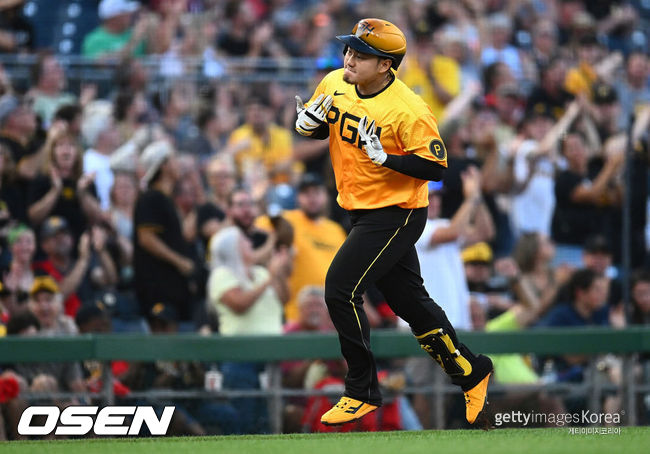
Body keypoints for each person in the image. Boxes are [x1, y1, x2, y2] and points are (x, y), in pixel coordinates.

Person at [294, 18, 493, 427]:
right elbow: (321, 129)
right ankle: (472, 372)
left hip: (397, 212)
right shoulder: (334, 82)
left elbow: (436, 166)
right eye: (349, 49)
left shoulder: (408, 108)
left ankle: (361, 390)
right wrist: (309, 127)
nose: (349, 58)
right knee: (409, 304)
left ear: (386, 65)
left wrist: (387, 159)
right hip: (359, 209)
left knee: (340, 290)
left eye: (361, 54)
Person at [133, 140, 195, 322]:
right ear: (164, 165)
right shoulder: (151, 198)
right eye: (174, 160)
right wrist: (180, 262)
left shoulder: (166, 199)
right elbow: (146, 238)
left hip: (173, 286)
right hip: (158, 286)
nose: (179, 164)